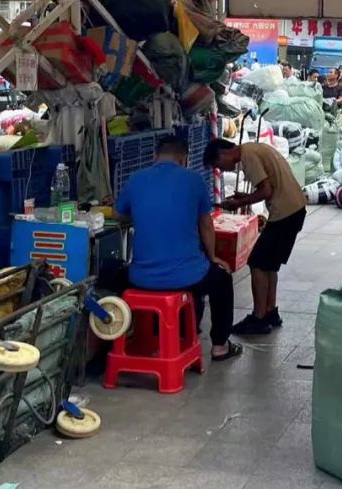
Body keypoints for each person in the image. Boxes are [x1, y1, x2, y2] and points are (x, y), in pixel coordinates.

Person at [113, 136, 242, 362]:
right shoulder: (194, 181)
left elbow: (119, 214)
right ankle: (220, 346)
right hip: (188, 277)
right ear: (184, 159)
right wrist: (213, 257)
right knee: (221, 278)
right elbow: (206, 225)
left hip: (141, 278)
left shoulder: (136, 179)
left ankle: (130, 338)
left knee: (109, 273)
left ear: (155, 156)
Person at [204, 138, 308, 335]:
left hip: (285, 211)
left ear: (224, 153)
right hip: (294, 207)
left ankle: (258, 317)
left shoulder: (247, 155)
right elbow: (268, 187)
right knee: (269, 264)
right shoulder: (254, 148)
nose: (223, 170)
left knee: (257, 262)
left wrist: (237, 204)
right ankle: (270, 311)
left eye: (219, 166)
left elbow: (265, 190)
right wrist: (244, 197)